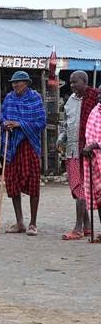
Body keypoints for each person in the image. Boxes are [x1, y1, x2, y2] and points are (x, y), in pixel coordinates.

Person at [0, 71, 47, 236]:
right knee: (13, 183)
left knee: (33, 183)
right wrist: (4, 123)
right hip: (12, 146)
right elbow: (2, 116)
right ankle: (19, 221)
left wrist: (19, 124)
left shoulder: (35, 98)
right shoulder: (9, 98)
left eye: (18, 83)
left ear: (26, 83)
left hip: (30, 145)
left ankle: (33, 223)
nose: (14, 86)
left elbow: (41, 122)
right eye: (13, 83)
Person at [58, 71, 98, 240]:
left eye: (75, 82)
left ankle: (78, 228)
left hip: (89, 151)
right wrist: (61, 139)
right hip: (72, 149)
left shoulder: (94, 99)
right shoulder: (70, 100)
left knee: (82, 188)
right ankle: (87, 226)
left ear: (85, 82)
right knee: (76, 187)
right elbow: (67, 124)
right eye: (71, 82)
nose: (72, 85)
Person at [82, 90, 101, 242]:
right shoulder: (95, 111)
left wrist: (94, 145)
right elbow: (89, 135)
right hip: (95, 162)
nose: (100, 97)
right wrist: (89, 148)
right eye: (99, 94)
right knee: (99, 198)